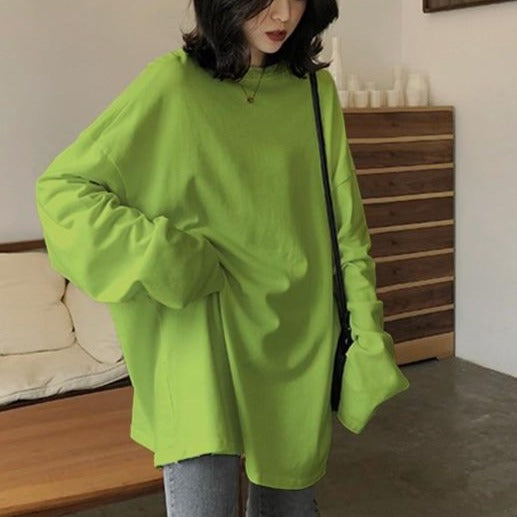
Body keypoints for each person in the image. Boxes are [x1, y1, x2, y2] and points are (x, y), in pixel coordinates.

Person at [35, 0, 409, 515]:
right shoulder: (173, 85)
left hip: (296, 343)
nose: (283, 14)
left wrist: (367, 332)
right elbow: (63, 192)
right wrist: (168, 257)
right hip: (201, 340)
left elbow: (348, 231)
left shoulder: (314, 92)